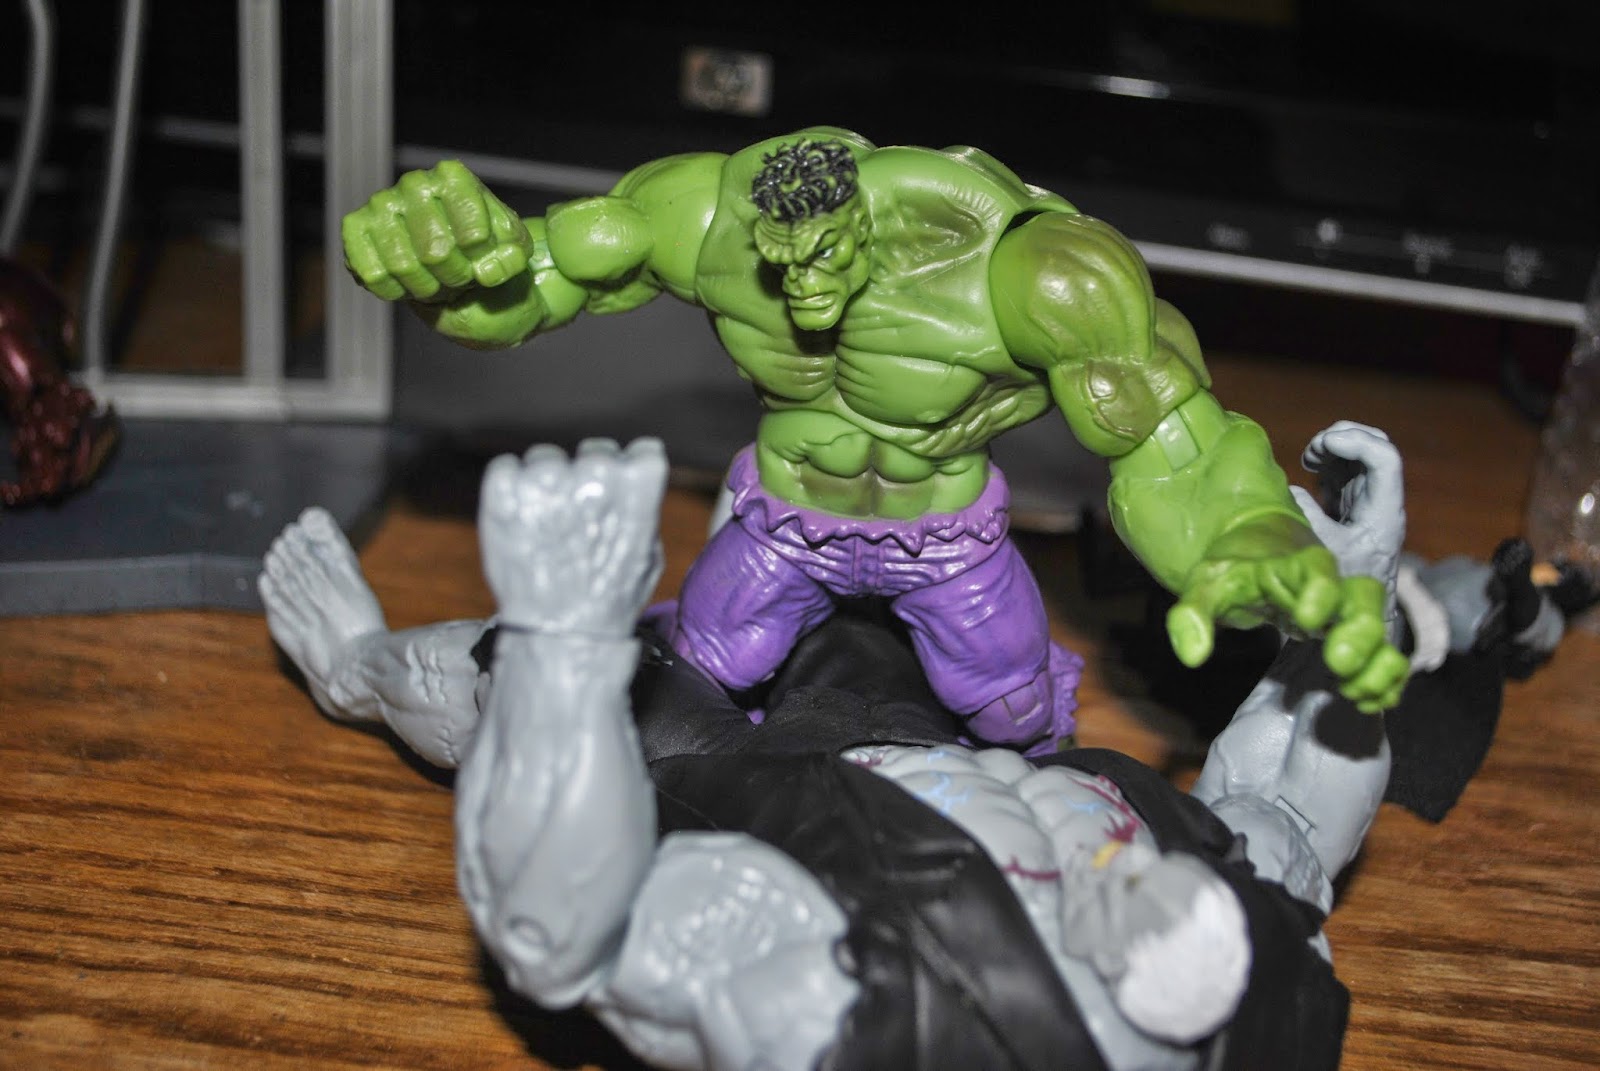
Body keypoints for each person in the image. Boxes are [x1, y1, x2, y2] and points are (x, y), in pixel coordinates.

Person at [260, 422, 1407, 1071]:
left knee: (497, 671)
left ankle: (351, 667)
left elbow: (568, 937)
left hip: (748, 781)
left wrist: (566, 648)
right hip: (940, 734)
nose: (1140, 885)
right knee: (840, 524)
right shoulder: (1255, 963)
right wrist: (1353, 600)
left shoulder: (857, 1007)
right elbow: (1291, 804)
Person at [337, 129, 1406, 752]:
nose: (801, 285)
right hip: (782, 523)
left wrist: (1251, 537)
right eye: (781, 259)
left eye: (826, 257)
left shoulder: (1031, 274)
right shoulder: (700, 220)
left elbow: (1176, 447)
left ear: (869, 226)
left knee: (1016, 715)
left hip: (945, 542)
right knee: (697, 680)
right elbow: (527, 288)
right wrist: (454, 270)